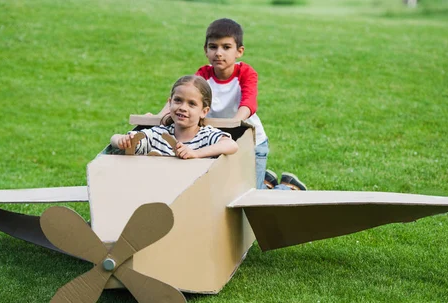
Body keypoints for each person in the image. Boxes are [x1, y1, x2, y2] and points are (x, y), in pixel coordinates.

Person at [155, 18, 307, 190]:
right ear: (205, 50)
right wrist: (159, 116)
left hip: (250, 142)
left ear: (239, 51)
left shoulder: (246, 73)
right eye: (213, 47)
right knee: (227, 191)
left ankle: (289, 189)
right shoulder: (203, 74)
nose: (219, 53)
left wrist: (235, 122)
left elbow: (249, 102)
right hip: (219, 140)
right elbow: (185, 94)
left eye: (226, 47)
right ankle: (266, 182)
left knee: (250, 195)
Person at [110, 75, 238, 159]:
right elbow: (116, 138)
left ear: (203, 111)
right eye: (178, 100)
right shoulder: (159, 133)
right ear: (170, 102)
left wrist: (195, 153)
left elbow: (231, 145)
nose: (183, 107)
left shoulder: (206, 135)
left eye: (191, 104)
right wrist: (123, 141)